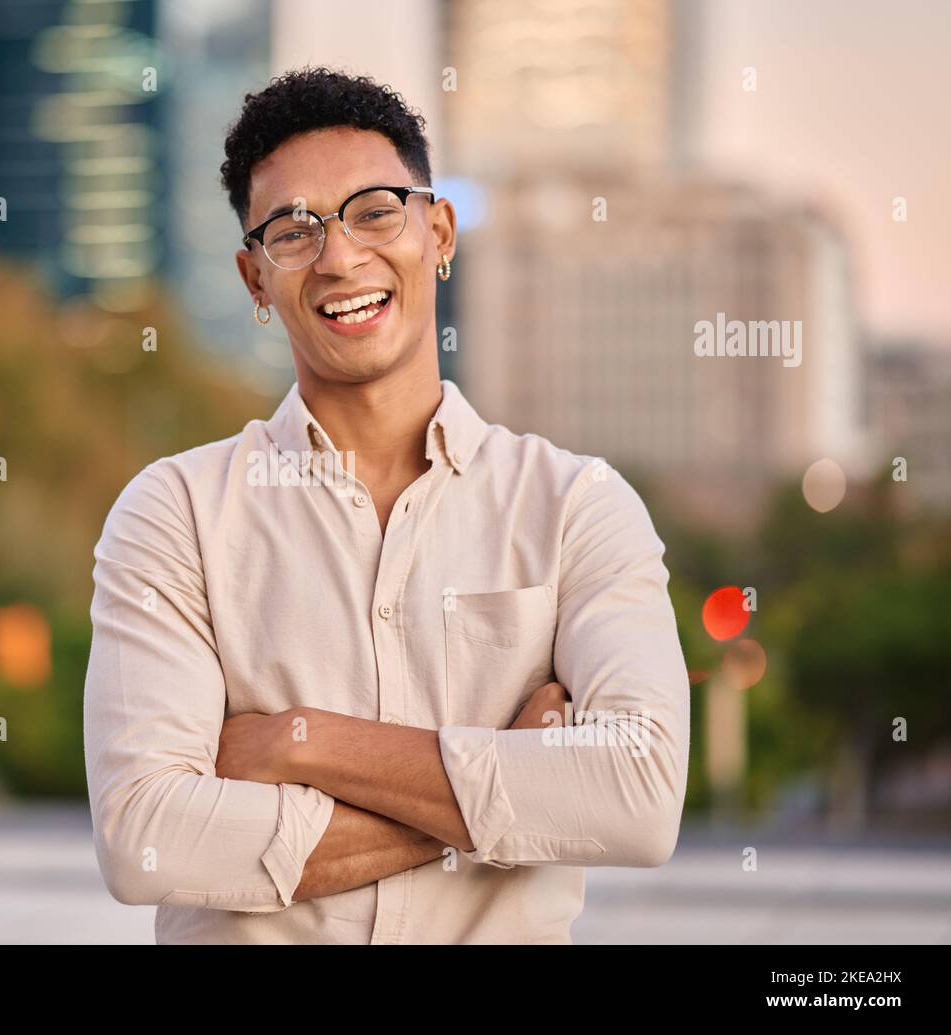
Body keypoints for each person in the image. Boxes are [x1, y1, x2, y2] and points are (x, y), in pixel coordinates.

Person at [83, 67, 690, 944]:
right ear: (255, 279)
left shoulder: (575, 507)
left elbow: (638, 799)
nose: (339, 257)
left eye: (375, 211)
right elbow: (144, 840)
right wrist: (509, 785)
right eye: (294, 231)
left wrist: (302, 742)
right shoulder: (175, 514)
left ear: (437, 231)